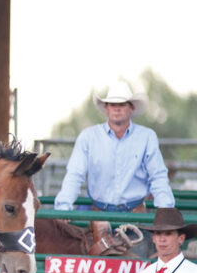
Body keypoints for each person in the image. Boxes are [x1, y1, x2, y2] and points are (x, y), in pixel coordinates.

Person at [54, 81, 174, 213]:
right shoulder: (88, 137)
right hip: (99, 212)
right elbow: (75, 174)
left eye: (122, 104)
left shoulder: (147, 137)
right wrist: (63, 207)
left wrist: (166, 210)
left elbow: (157, 176)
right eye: (113, 104)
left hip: (135, 211)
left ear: (131, 108)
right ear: (107, 108)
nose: (117, 109)